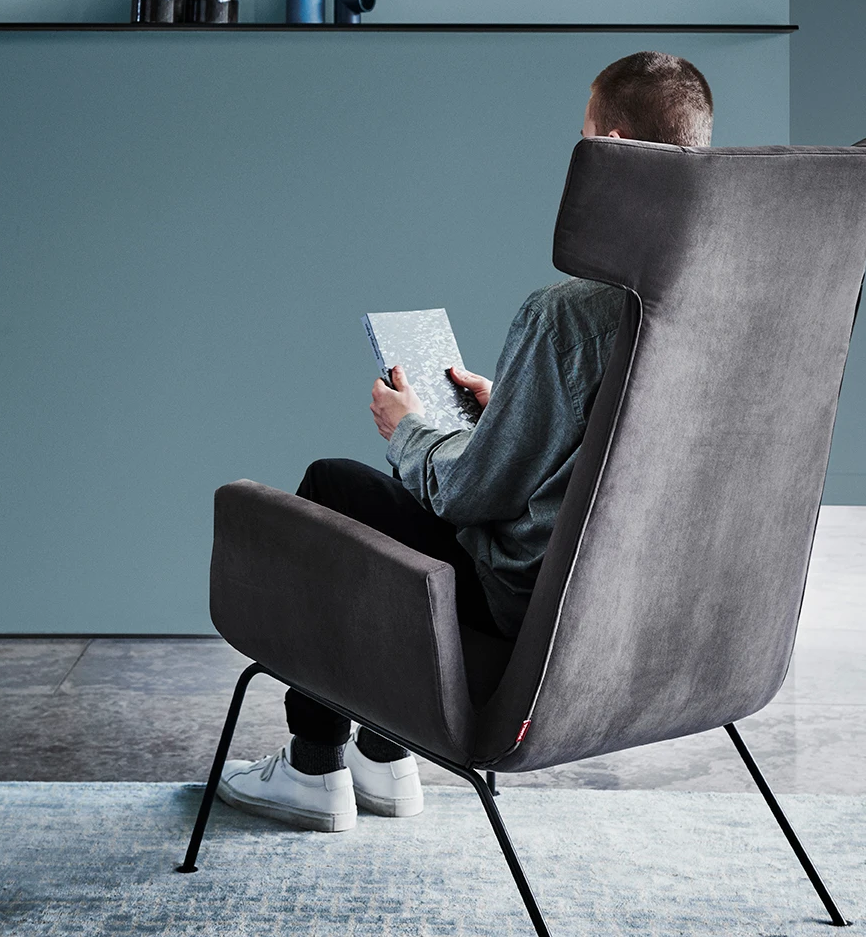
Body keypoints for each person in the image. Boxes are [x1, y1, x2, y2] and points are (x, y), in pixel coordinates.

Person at [218, 51, 713, 831]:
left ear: (612, 147)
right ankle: (382, 761)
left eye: (582, 139)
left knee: (335, 486)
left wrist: (408, 428)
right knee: (394, 518)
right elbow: (612, 454)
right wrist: (510, 408)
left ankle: (315, 767)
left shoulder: (570, 315)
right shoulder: (723, 314)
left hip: (526, 613)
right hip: (649, 619)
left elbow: (466, 493)